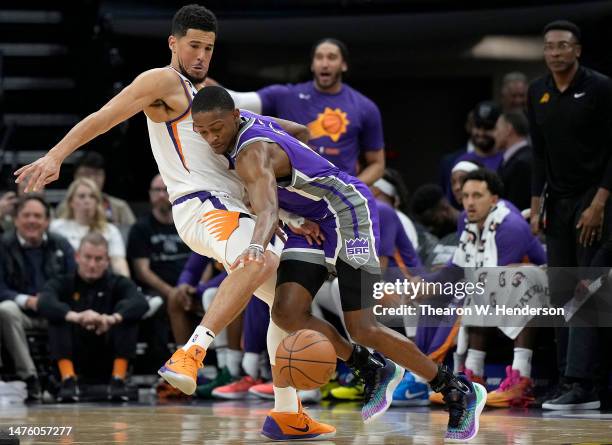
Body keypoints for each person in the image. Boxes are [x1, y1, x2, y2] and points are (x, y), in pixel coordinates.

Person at [14, 5, 343, 438]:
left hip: (233, 206)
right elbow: (105, 116)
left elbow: (246, 166)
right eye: (193, 46)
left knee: (284, 302)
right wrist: (57, 155)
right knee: (260, 259)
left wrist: (285, 212)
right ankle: (190, 352)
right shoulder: (163, 82)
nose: (201, 55)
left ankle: (286, 413)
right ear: (173, 43)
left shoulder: (214, 97)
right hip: (200, 207)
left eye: (208, 47)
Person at [191, 85, 487, 441]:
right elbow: (300, 133)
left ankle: (457, 390)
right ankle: (369, 366)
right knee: (286, 313)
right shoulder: (252, 122)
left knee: (363, 326)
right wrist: (307, 184)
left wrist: (256, 245)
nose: (210, 138)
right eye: (202, 131)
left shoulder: (250, 153)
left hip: (349, 212)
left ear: (234, 118)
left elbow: (267, 210)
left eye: (216, 129)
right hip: (311, 219)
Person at [528, 20, 612, 410]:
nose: (555, 53)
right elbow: (538, 152)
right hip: (557, 203)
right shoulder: (538, 92)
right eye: (549, 47)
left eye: (562, 46)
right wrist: (536, 203)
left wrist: (599, 202)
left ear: (577, 50)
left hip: (595, 201)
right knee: (561, 290)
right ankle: (565, 379)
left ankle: (586, 384)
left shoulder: (600, 87)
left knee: (589, 289)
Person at [418, 170, 546, 408]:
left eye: (477, 195)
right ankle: (471, 376)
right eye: (466, 196)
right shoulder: (467, 221)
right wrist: (428, 284)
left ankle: (521, 377)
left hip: (544, 283)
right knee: (432, 296)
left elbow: (492, 279)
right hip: (497, 284)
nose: (469, 202)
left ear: (494, 199)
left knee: (495, 283)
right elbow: (457, 266)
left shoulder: (511, 226)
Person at [220, 38, 385, 184]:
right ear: (313, 65)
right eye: (319, 58)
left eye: (332, 58)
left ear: (344, 65)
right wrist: (202, 88)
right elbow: (237, 100)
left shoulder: (365, 107)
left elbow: (377, 163)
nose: (325, 63)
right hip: (293, 192)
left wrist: (355, 188)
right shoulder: (286, 95)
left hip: (339, 195)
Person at [38, 233, 148, 402]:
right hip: (75, 351)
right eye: (87, 257)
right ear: (77, 257)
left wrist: (112, 319)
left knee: (126, 314)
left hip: (108, 350)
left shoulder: (118, 282)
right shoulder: (63, 282)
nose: (92, 264)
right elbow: (44, 302)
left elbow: (140, 302)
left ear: (107, 261)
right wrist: (75, 316)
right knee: (58, 315)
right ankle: (68, 379)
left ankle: (119, 378)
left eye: (98, 259)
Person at [0, 196, 75, 401]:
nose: (32, 221)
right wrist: (27, 300)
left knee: (78, 309)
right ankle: (30, 377)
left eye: (38, 216)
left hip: (54, 311)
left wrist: (50, 300)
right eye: (26, 215)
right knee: (6, 309)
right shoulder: (3, 245)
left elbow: (73, 282)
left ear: (47, 221)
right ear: (15, 219)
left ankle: (66, 377)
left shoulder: (61, 244)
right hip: (22, 312)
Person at [126, 174, 191, 344]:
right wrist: (172, 292)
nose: (162, 194)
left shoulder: (187, 223)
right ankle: (169, 359)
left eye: (166, 189)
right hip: (157, 289)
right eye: (157, 190)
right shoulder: (141, 227)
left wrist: (192, 288)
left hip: (189, 286)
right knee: (159, 303)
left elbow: (203, 260)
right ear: (150, 194)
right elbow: (142, 271)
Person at [51, 177, 130, 277]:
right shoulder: (56, 227)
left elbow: (118, 262)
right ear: (71, 202)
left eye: (92, 196)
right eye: (81, 196)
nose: (87, 201)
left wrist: (125, 287)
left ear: (97, 202)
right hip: (64, 280)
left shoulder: (110, 230)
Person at [56, 151, 136, 227]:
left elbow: (132, 235)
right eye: (86, 173)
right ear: (75, 176)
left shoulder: (120, 207)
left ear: (104, 176)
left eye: (97, 174)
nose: (92, 179)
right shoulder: (64, 207)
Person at [452, 101, 503, 178]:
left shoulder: (506, 161)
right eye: (478, 126)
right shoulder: (462, 161)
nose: (481, 133)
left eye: (488, 128)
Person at [495, 111, 533, 211]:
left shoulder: (522, 163)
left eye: (497, 128)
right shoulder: (515, 159)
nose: (494, 134)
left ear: (508, 129)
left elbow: (516, 207)